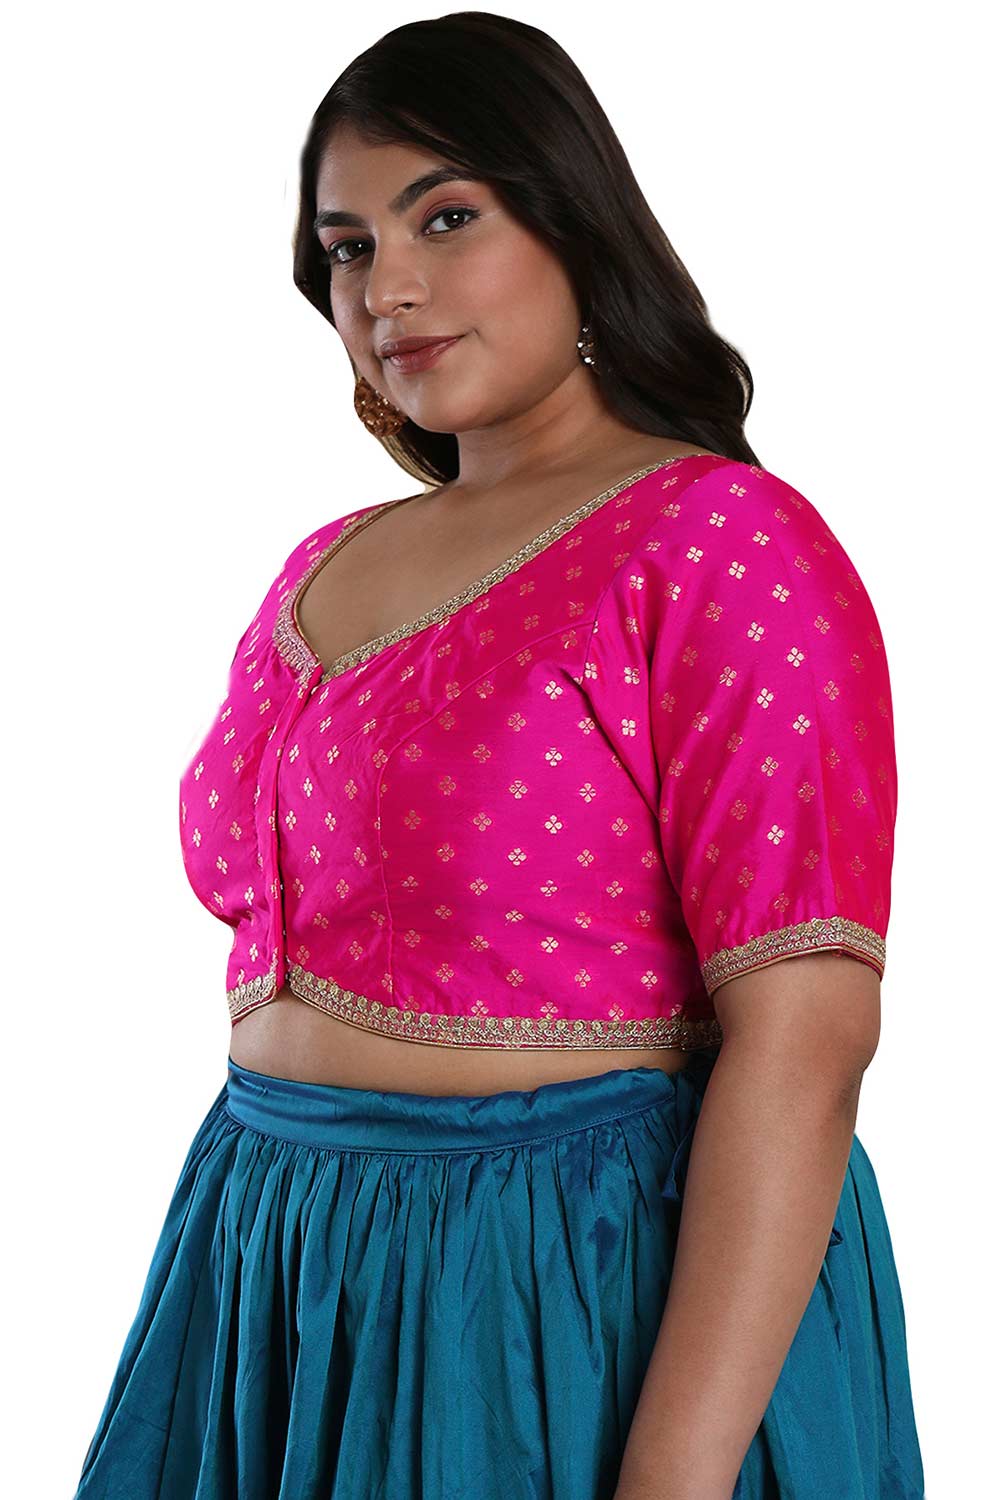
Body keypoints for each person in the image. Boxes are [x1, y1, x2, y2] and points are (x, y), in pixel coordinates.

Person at [72, 13, 925, 1499]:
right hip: (273, 1262)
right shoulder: (324, 561)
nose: (386, 288)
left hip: (562, 1284)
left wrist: (672, 1476)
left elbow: (805, 1042)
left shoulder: (719, 540)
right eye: (347, 248)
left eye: (446, 218)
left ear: (573, 220)